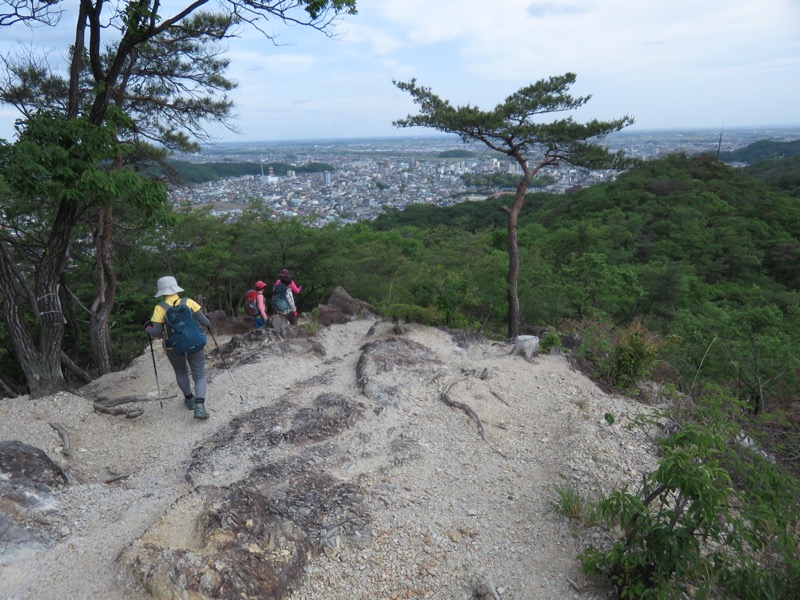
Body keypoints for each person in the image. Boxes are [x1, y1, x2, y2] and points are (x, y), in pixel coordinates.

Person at [145, 276, 211, 419]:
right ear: (176, 288)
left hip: (172, 346)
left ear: (162, 292)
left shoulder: (160, 308)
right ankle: (200, 406)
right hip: (195, 342)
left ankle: (189, 399)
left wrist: (148, 328)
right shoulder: (188, 302)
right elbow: (205, 322)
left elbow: (156, 332)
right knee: (199, 374)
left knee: (181, 372)